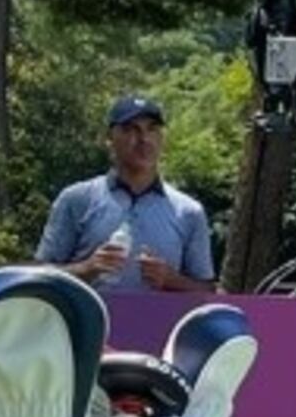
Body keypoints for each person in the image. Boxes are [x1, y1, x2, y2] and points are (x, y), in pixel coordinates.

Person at [35, 94, 218, 293]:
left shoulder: (189, 212)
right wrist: (86, 268)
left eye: (152, 129)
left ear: (162, 138)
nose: (143, 139)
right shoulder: (77, 199)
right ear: (109, 139)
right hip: (88, 321)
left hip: (158, 324)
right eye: (131, 129)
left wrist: (171, 280)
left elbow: (207, 291)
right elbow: (39, 276)